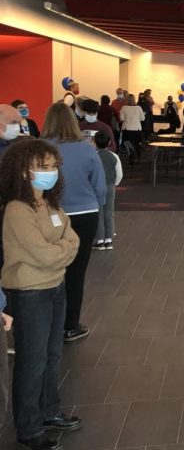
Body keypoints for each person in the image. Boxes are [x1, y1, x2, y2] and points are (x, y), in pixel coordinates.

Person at [0, 138, 81, 450]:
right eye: (41, 167)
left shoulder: (51, 204)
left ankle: (50, 411)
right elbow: (44, 253)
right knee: (31, 362)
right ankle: (29, 429)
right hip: (29, 292)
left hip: (55, 287)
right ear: (22, 171)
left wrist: (59, 252)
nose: (48, 172)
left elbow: (71, 239)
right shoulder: (17, 210)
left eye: (51, 166)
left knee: (51, 355)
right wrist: (62, 251)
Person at [42, 103, 106, 343]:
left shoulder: (41, 149)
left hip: (51, 215)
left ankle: (47, 321)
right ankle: (70, 325)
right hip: (86, 214)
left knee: (50, 267)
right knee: (76, 272)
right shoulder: (87, 149)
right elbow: (99, 186)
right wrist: (95, 205)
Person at [92, 131, 122, 251]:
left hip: (96, 187)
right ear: (109, 143)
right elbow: (119, 174)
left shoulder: (93, 155)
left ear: (94, 142)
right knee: (109, 212)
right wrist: (114, 184)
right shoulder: (114, 156)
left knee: (99, 212)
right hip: (110, 186)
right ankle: (109, 240)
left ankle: (99, 240)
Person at [119, 94, 145, 163]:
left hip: (127, 128)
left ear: (127, 99)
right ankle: (138, 158)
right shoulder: (139, 108)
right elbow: (142, 118)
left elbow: (121, 118)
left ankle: (131, 158)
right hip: (137, 128)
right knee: (137, 144)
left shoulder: (124, 107)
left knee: (128, 144)